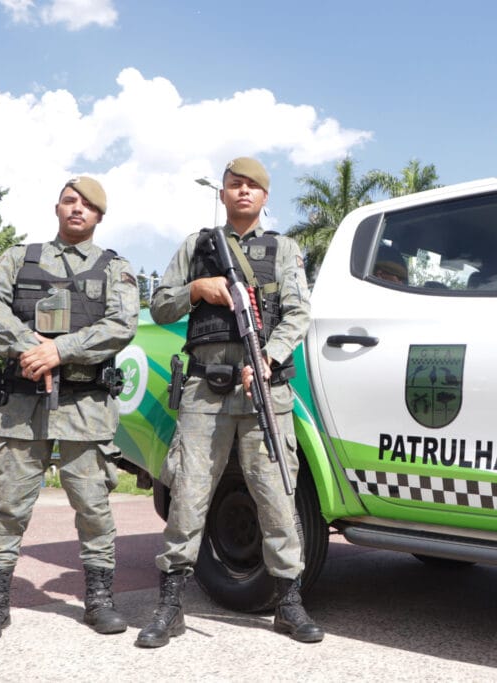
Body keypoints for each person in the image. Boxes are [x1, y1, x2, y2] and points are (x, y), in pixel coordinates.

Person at [137, 157, 321, 648]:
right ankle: (170, 605)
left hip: (264, 391)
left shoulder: (284, 249)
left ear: (264, 197)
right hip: (204, 393)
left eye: (253, 187)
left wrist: (270, 358)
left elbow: (299, 313)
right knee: (189, 498)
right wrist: (197, 289)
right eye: (235, 185)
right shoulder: (197, 247)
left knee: (278, 497)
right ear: (222, 193)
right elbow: (158, 305)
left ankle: (288, 602)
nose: (243, 192)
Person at [0, 176, 139, 642]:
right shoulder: (18, 260)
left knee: (94, 505)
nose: (77, 209)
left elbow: (123, 325)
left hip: (86, 405)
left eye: (87, 205)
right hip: (23, 404)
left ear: (100, 216)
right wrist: (31, 347)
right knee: (10, 505)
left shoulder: (115, 268)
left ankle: (99, 600)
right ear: (56, 208)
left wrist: (60, 351)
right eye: (69, 201)